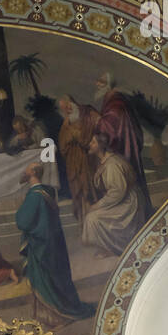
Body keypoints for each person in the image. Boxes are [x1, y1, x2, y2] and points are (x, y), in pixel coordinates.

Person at [15, 162, 96, 326]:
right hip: (53, 242)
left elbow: (22, 222)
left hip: (40, 245)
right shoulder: (47, 191)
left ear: (32, 173)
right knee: (56, 277)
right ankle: (58, 311)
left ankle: (55, 316)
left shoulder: (35, 196)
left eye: (27, 169)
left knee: (44, 279)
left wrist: (20, 209)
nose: (24, 171)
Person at [93, 73, 152, 214]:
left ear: (108, 84)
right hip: (122, 143)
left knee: (124, 179)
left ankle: (132, 212)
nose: (97, 84)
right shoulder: (111, 99)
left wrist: (99, 121)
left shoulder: (116, 101)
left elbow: (113, 121)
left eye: (100, 82)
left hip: (123, 147)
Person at [82, 132, 147, 256]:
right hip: (121, 199)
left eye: (93, 142)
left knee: (93, 217)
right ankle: (107, 246)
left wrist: (98, 205)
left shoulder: (112, 164)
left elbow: (117, 192)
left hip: (129, 203)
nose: (89, 145)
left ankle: (111, 247)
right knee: (93, 215)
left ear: (101, 145)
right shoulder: (104, 162)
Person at [57, 94, 100, 224]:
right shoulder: (66, 123)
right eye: (64, 109)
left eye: (68, 107)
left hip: (88, 161)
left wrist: (78, 136)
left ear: (73, 103)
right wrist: (70, 136)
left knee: (90, 191)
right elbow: (62, 145)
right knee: (78, 192)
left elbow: (91, 135)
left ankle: (95, 223)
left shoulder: (87, 115)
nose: (67, 111)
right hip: (73, 164)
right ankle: (84, 223)